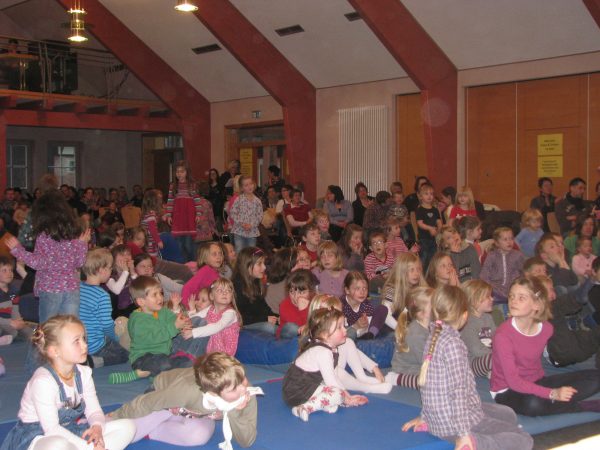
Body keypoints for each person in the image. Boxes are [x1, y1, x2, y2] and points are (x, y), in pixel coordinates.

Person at [402, 285, 533, 450]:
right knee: (524, 439)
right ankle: (474, 443)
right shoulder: (454, 344)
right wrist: (464, 433)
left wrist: (425, 416)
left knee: (508, 414)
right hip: (457, 423)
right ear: (464, 316)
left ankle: (461, 432)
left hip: (439, 419)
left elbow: (428, 384)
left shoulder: (433, 337)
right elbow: (458, 391)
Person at [0, 315, 135, 450]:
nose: (84, 345)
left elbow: (94, 411)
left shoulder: (84, 373)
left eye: (83, 339)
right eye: (77, 341)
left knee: (128, 426)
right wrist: (86, 446)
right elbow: (52, 429)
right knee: (57, 445)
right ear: (54, 351)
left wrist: (97, 428)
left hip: (69, 429)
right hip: (39, 437)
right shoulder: (43, 381)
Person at [491, 276, 600, 416]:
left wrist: (548, 390)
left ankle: (554, 402)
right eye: (511, 296)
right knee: (533, 404)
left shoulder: (546, 328)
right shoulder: (503, 336)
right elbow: (513, 381)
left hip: (538, 382)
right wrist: (552, 393)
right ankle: (579, 406)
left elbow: (562, 346)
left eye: (521, 298)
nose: (513, 301)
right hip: (507, 391)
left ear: (537, 304)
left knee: (595, 377)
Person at [111, 352, 260, 448]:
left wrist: (234, 410)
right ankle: (156, 420)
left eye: (243, 379)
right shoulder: (187, 391)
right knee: (129, 434)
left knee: (199, 435)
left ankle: (153, 429)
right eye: (234, 389)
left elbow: (247, 441)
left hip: (196, 410)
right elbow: (147, 402)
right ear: (213, 393)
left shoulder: (245, 392)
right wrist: (115, 416)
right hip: (164, 392)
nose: (243, 388)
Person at [7, 190, 89, 323]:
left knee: (48, 328)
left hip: (50, 288)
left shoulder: (44, 236)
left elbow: (40, 263)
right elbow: (79, 263)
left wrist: (18, 250)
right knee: (69, 327)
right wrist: (82, 244)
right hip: (71, 288)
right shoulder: (72, 235)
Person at [282, 307, 369, 421]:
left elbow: (333, 377)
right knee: (337, 395)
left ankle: (321, 403)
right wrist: (347, 398)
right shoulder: (323, 352)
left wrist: (347, 395)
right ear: (324, 334)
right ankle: (304, 408)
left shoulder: (331, 349)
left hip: (308, 386)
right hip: (296, 391)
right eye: (339, 327)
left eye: (344, 325)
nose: (345, 330)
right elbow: (331, 382)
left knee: (335, 403)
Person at [305, 294, 391, 394]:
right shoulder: (315, 342)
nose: (342, 326)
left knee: (348, 342)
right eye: (337, 323)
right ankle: (366, 387)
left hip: (334, 371)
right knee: (338, 372)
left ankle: (362, 377)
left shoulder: (331, 338)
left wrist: (373, 367)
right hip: (320, 380)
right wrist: (345, 395)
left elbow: (354, 351)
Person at [127, 276, 193, 376]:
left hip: (164, 354)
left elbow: (173, 320)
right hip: (143, 357)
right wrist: (175, 327)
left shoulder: (162, 311)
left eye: (160, 293)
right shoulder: (138, 320)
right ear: (141, 301)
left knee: (187, 361)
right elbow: (155, 337)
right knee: (163, 364)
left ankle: (158, 374)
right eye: (155, 295)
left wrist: (183, 323)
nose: (160, 297)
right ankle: (137, 374)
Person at [79, 248, 129, 369]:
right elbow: (107, 325)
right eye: (110, 268)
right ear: (102, 270)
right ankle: (93, 362)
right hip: (95, 345)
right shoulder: (102, 296)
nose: (111, 271)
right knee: (124, 355)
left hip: (80, 342)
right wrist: (115, 338)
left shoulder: (78, 287)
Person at [178, 277, 242, 357]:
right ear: (211, 296)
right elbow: (197, 316)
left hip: (222, 353)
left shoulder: (230, 313)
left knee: (203, 323)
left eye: (228, 291)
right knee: (197, 320)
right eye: (220, 290)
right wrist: (182, 321)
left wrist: (193, 332)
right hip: (209, 347)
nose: (225, 293)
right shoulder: (210, 309)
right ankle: (181, 350)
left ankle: (189, 356)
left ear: (232, 296)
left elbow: (218, 326)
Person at [386, 286, 433, 389]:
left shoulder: (432, 326)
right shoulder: (416, 334)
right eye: (433, 305)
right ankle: (396, 379)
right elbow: (427, 363)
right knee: (434, 381)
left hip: (419, 365)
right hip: (406, 369)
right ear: (421, 313)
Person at [164, 161, 203, 262]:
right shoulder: (173, 186)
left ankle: (194, 263)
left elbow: (197, 201)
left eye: (182, 171)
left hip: (189, 219)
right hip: (178, 219)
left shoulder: (192, 185)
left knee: (189, 245)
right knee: (179, 245)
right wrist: (168, 215)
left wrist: (198, 214)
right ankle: (183, 265)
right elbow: (170, 201)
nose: (179, 174)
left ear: (187, 172)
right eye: (177, 172)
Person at [233, 247, 277, 332]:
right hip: (245, 325)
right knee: (270, 328)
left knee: (289, 325)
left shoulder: (256, 282)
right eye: (259, 264)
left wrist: (276, 317)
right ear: (247, 265)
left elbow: (263, 307)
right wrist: (265, 319)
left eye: (263, 263)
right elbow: (239, 317)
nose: (264, 267)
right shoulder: (237, 286)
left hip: (259, 321)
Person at [480, 227, 525, 304]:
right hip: (495, 291)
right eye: (505, 239)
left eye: (511, 238)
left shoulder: (518, 255)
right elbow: (484, 274)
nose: (509, 242)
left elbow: (523, 272)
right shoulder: (492, 256)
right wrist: (490, 288)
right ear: (497, 243)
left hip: (513, 290)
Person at [382, 252, 426, 330]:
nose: (416, 273)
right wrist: (401, 329)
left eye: (418, 269)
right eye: (411, 270)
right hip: (394, 326)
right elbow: (385, 315)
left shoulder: (420, 288)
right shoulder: (392, 290)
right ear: (402, 272)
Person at [461, 279, 496, 377]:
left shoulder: (488, 317)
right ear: (474, 301)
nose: (492, 299)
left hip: (490, 356)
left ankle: (497, 370)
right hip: (473, 363)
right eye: (488, 297)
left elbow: (497, 338)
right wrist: (498, 354)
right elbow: (476, 349)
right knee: (493, 359)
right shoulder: (467, 322)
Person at [341, 271, 388, 340]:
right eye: (357, 288)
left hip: (365, 330)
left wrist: (366, 321)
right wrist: (356, 325)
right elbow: (342, 329)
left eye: (365, 288)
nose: (362, 292)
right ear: (347, 290)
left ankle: (371, 334)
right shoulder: (341, 305)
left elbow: (370, 318)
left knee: (382, 309)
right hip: (350, 331)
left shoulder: (366, 303)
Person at [181, 241, 224, 308]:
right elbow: (187, 288)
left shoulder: (215, 272)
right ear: (205, 257)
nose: (218, 257)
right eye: (214, 254)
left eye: (220, 254)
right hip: (198, 308)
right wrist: (190, 308)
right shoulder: (205, 270)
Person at [277, 269, 316, 338]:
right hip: (285, 339)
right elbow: (302, 330)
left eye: (301, 292)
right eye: (292, 292)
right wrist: (303, 310)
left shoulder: (316, 302)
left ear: (310, 292)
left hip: (305, 341)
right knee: (293, 327)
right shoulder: (285, 305)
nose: (296, 297)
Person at [229, 175, 263, 253]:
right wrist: (242, 223)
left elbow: (260, 216)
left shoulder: (257, 201)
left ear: (254, 184)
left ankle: (250, 265)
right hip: (239, 230)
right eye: (246, 185)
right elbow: (233, 212)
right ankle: (240, 265)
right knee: (239, 250)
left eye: (251, 184)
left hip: (252, 231)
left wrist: (252, 225)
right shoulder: (239, 199)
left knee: (251, 252)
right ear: (242, 188)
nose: (249, 186)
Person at [415, 182, 442, 271]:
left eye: (431, 194)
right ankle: (421, 275)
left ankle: (430, 276)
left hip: (433, 239)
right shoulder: (420, 209)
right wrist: (430, 228)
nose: (429, 196)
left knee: (432, 258)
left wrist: (438, 229)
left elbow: (438, 221)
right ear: (421, 196)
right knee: (424, 258)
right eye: (426, 194)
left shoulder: (435, 210)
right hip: (423, 239)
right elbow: (420, 223)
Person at [140, 189, 164, 257]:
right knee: (153, 258)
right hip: (150, 243)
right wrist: (158, 241)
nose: (161, 202)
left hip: (148, 242)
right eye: (159, 200)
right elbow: (152, 230)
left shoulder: (148, 213)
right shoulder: (151, 215)